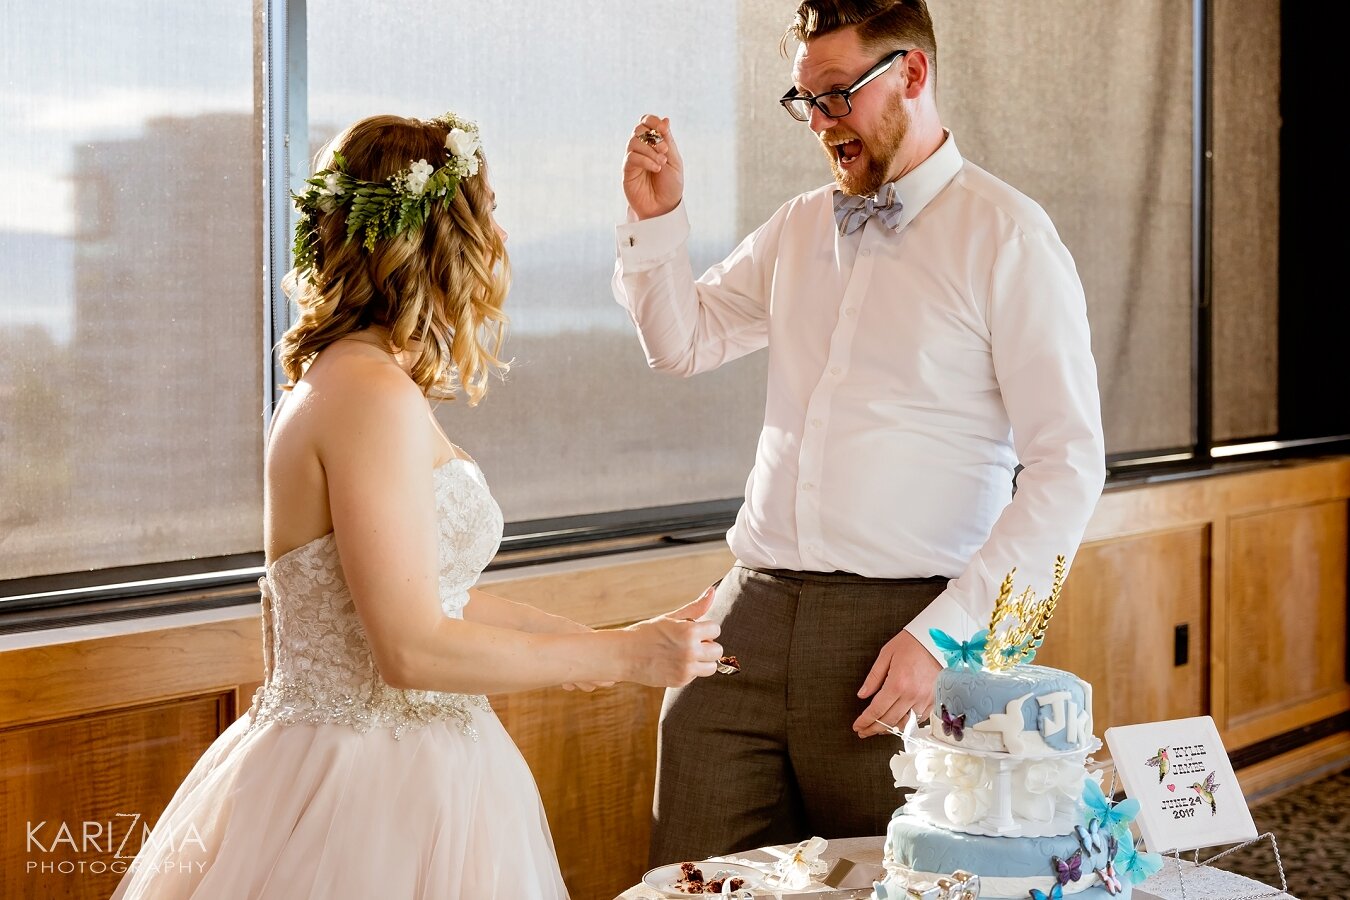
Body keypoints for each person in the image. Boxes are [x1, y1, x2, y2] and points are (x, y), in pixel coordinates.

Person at [111, 112, 724, 900]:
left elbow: (441, 601)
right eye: (487, 209)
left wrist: (610, 639)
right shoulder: (365, 394)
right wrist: (624, 661)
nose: (500, 233)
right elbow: (409, 650)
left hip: (409, 765)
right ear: (441, 237)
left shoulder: (357, 378)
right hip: (364, 791)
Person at [615, 0, 1107, 865]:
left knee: (895, 881)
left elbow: (1069, 468)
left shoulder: (1009, 237)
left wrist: (943, 636)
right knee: (686, 877)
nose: (820, 124)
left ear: (912, 75)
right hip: (748, 620)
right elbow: (682, 343)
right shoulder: (800, 225)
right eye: (805, 101)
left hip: (905, 632)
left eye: (837, 94)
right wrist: (658, 224)